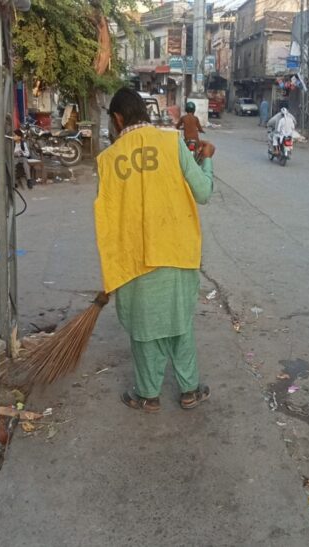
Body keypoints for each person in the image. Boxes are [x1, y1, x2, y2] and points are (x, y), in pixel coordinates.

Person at [96, 87, 215, 414]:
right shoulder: (170, 142)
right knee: (179, 323)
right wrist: (207, 161)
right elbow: (203, 193)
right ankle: (189, 391)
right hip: (177, 251)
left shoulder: (107, 161)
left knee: (144, 332)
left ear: (118, 118)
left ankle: (147, 396)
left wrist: (110, 271)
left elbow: (106, 220)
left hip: (133, 259)